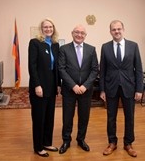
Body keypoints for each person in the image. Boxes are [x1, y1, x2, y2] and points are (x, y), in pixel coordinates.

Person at [99, 20, 143, 157]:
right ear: (110, 31)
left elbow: (139, 69)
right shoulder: (105, 47)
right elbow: (103, 70)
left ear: (123, 29)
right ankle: (112, 142)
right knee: (111, 117)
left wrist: (139, 89)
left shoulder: (133, 46)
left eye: (119, 29)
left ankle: (128, 143)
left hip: (129, 87)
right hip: (110, 87)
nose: (116, 31)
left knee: (129, 117)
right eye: (113, 29)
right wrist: (102, 90)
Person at [58, 25, 98, 154]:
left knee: (84, 116)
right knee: (67, 116)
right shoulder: (64, 49)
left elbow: (94, 70)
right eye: (77, 32)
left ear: (85, 35)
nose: (79, 35)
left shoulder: (91, 50)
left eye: (82, 33)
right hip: (70, 90)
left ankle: (81, 139)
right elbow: (61, 69)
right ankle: (66, 140)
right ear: (72, 33)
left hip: (86, 90)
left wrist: (85, 86)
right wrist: (73, 86)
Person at [28, 18, 61, 157]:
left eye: (50, 27)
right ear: (41, 29)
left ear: (53, 29)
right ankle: (38, 146)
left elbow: (57, 67)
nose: (48, 29)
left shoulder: (55, 44)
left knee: (49, 117)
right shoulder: (35, 43)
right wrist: (37, 85)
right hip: (39, 87)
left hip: (52, 87)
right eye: (45, 27)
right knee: (39, 117)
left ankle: (47, 142)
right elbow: (32, 66)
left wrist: (58, 84)